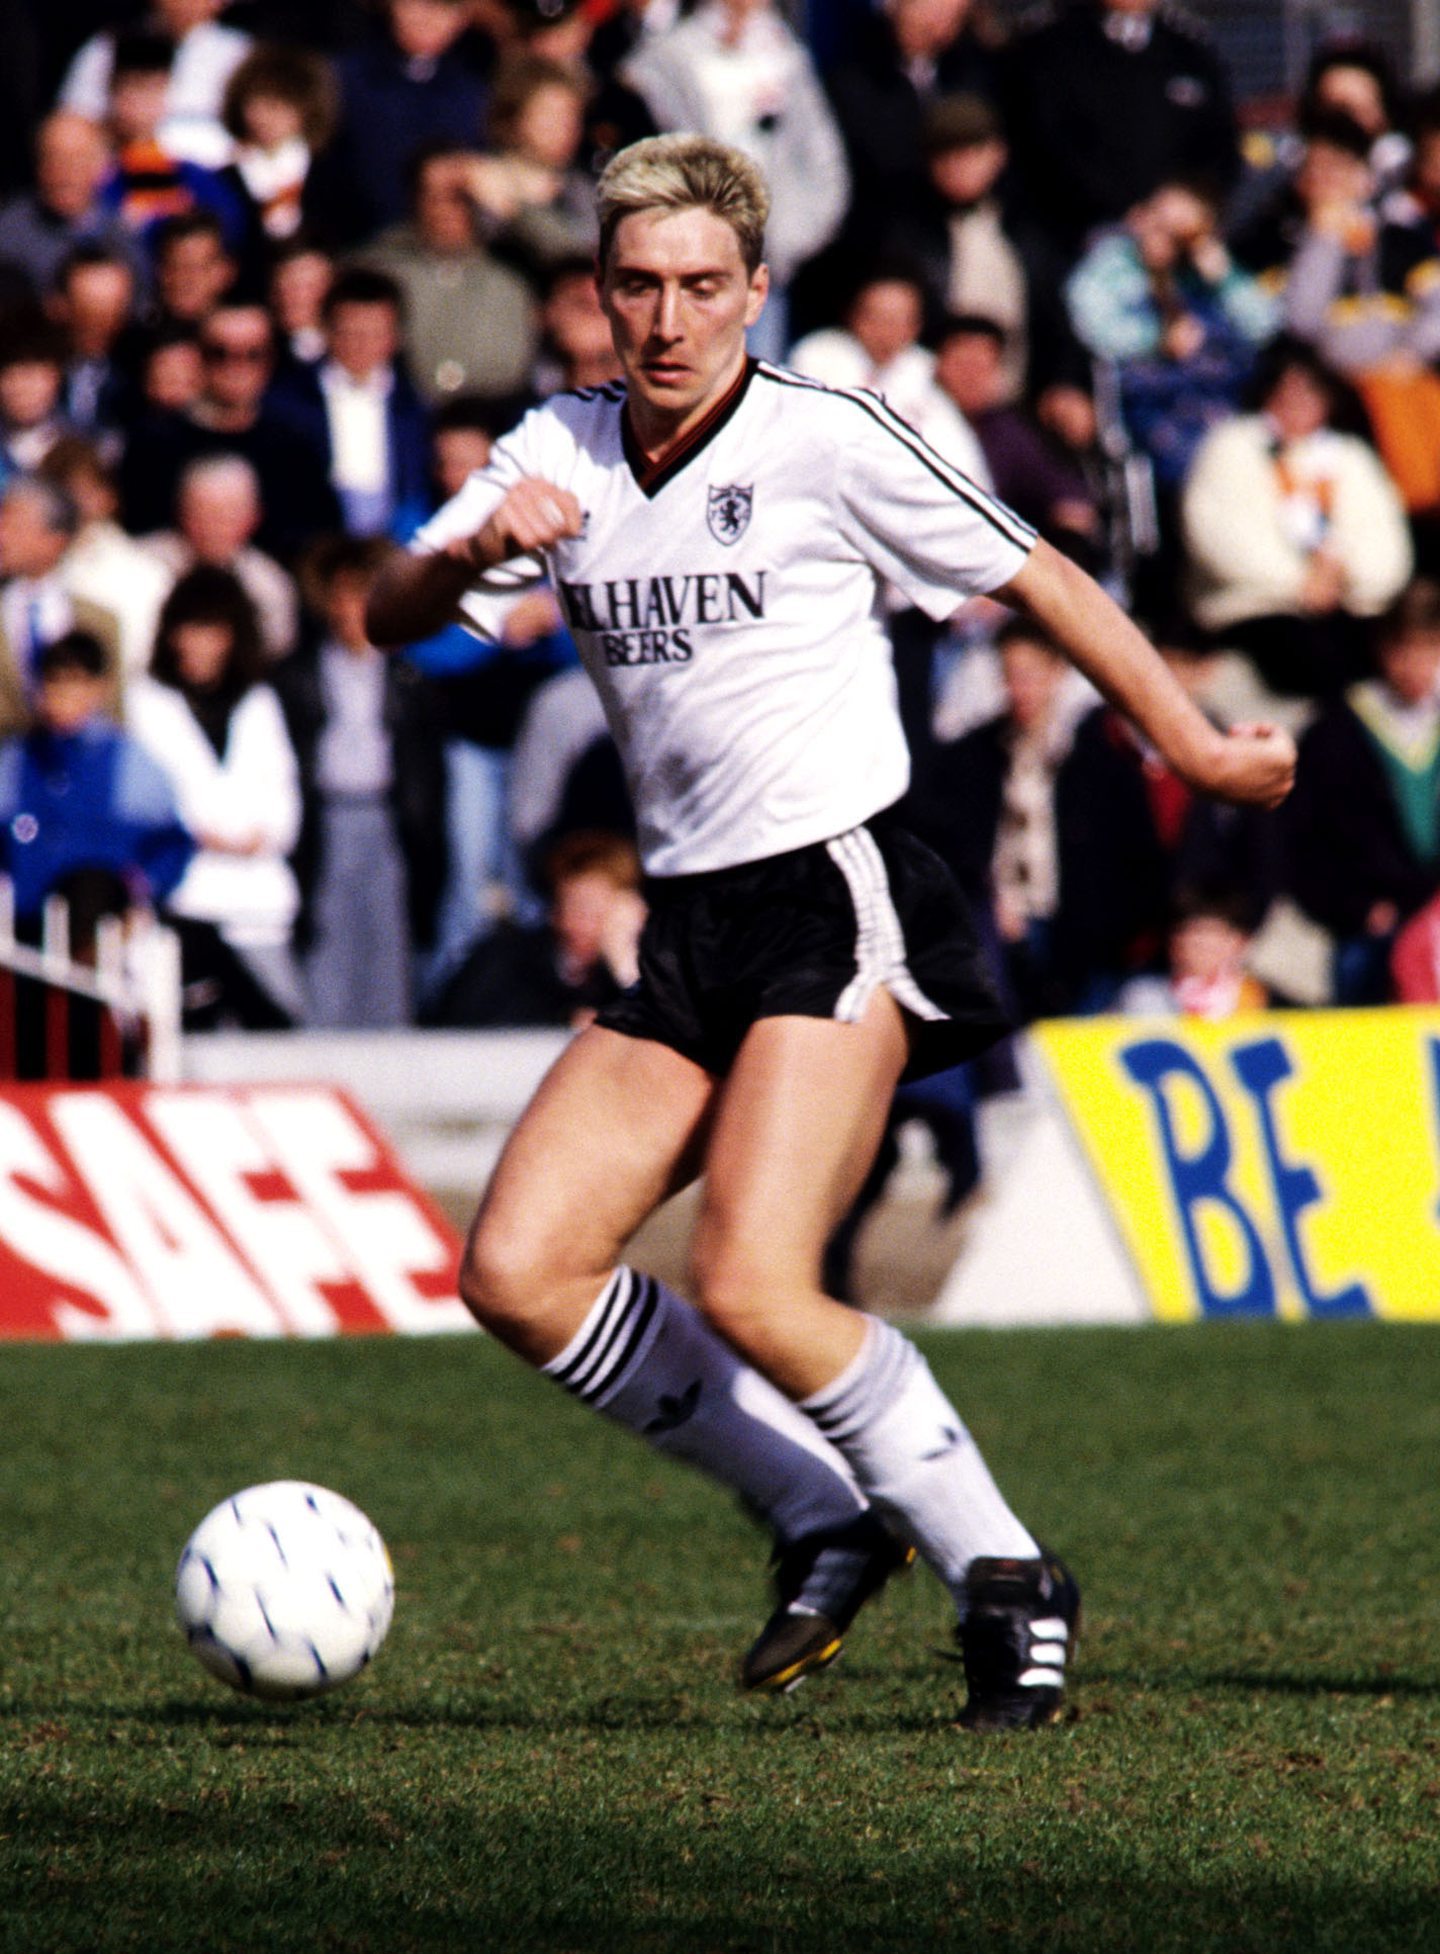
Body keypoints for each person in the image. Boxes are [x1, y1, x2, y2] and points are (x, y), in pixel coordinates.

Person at [366, 134, 1294, 1730]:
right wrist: (468, 553)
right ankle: (816, 1507)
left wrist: (1195, 743)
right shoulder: (560, 447)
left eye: (700, 288)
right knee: (518, 1272)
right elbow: (385, 616)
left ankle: (1004, 1572)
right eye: (638, 286)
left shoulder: (826, 436)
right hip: (692, 923)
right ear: (596, 293)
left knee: (752, 1275)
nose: (666, 320)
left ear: (755, 294)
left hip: (840, 885)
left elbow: (1042, 575)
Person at [127, 565, 305, 1026]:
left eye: (211, 631)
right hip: (184, 901)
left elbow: (282, 799)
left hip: (260, 899)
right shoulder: (146, 703)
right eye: (188, 629)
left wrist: (254, 837)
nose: (197, 644)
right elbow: (152, 803)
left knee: (277, 1029)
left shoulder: (258, 702)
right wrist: (203, 833)